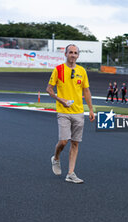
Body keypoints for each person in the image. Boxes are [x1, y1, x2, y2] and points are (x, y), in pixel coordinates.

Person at [46, 44, 95, 183]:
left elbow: (86, 91)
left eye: (75, 53)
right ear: (66, 54)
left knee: (75, 143)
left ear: (78, 55)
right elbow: (49, 89)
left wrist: (90, 109)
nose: (73, 55)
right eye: (70, 52)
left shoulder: (82, 71)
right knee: (63, 141)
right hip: (63, 111)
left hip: (79, 112)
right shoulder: (58, 70)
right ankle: (56, 158)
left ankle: (70, 173)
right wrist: (60, 100)